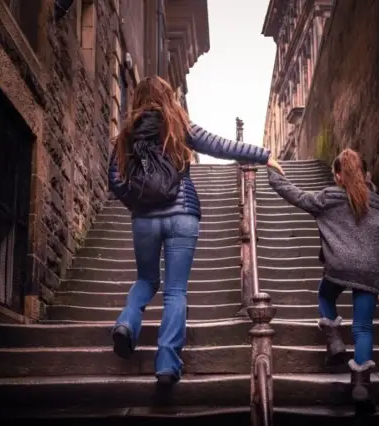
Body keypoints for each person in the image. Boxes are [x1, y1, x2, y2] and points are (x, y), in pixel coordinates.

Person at [108, 75, 284, 388]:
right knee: (175, 291)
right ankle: (166, 363)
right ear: (167, 98)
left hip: (144, 220)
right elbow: (219, 145)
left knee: (146, 280)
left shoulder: (125, 136)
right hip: (183, 214)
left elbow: (115, 181)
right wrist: (263, 155)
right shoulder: (178, 125)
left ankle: (126, 323)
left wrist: (137, 203)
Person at [267, 148, 379, 412]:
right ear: (365, 174)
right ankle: (361, 384)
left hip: (338, 267)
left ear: (338, 176)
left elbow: (297, 196)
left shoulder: (328, 198)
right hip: (369, 271)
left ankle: (334, 339)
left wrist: (273, 172)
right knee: (363, 329)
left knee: (325, 295)